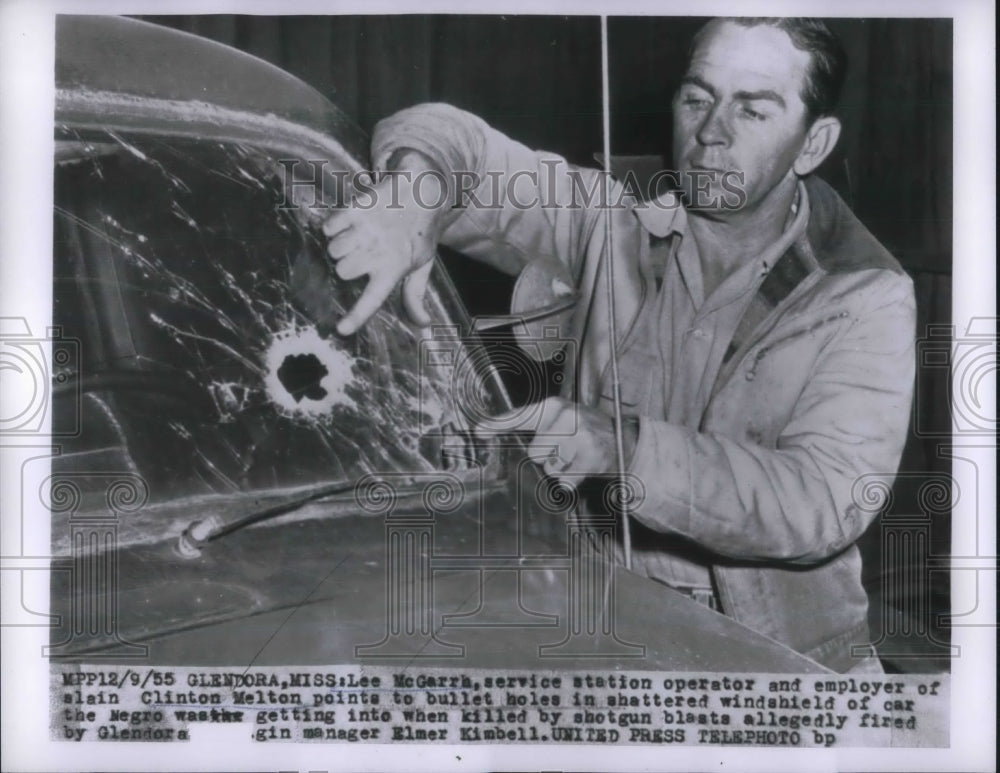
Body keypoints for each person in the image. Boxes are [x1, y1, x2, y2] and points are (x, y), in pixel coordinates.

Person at [321, 17, 916, 673]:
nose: (712, 131)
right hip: (606, 628)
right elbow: (449, 135)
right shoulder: (615, 220)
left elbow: (824, 499)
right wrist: (413, 197)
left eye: (753, 110)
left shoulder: (864, 294)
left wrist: (618, 447)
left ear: (813, 143)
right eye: (698, 99)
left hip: (786, 658)